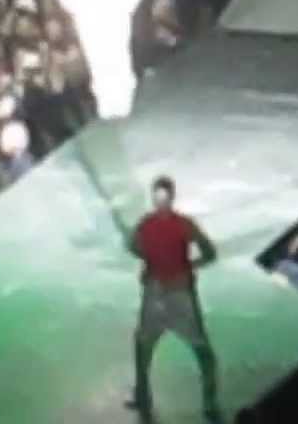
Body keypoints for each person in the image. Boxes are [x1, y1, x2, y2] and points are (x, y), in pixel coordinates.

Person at [127, 176, 222, 423]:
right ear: (172, 196)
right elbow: (210, 252)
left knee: (142, 346)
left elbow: (133, 247)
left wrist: (151, 261)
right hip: (181, 294)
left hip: (154, 293)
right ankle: (210, 404)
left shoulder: (144, 224)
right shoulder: (185, 224)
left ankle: (142, 397)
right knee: (202, 351)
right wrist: (191, 265)